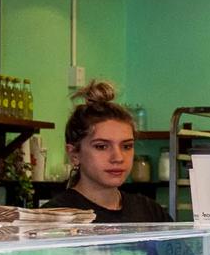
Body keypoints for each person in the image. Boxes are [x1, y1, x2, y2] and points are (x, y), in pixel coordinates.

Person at [44, 80, 171, 222]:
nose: (118, 158)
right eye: (101, 146)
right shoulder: (54, 219)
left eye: (126, 146)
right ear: (74, 155)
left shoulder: (150, 211)